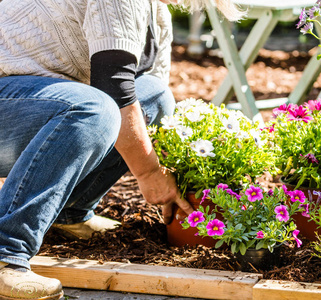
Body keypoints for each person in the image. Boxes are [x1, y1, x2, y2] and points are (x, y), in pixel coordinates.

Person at [0, 0, 243, 299]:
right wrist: (150, 172)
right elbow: (113, 89)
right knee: (95, 108)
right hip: (9, 104)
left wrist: (176, 172)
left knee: (155, 98)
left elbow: (144, 111)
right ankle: (6, 252)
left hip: (32, 108)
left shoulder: (158, 15)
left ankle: (70, 214)